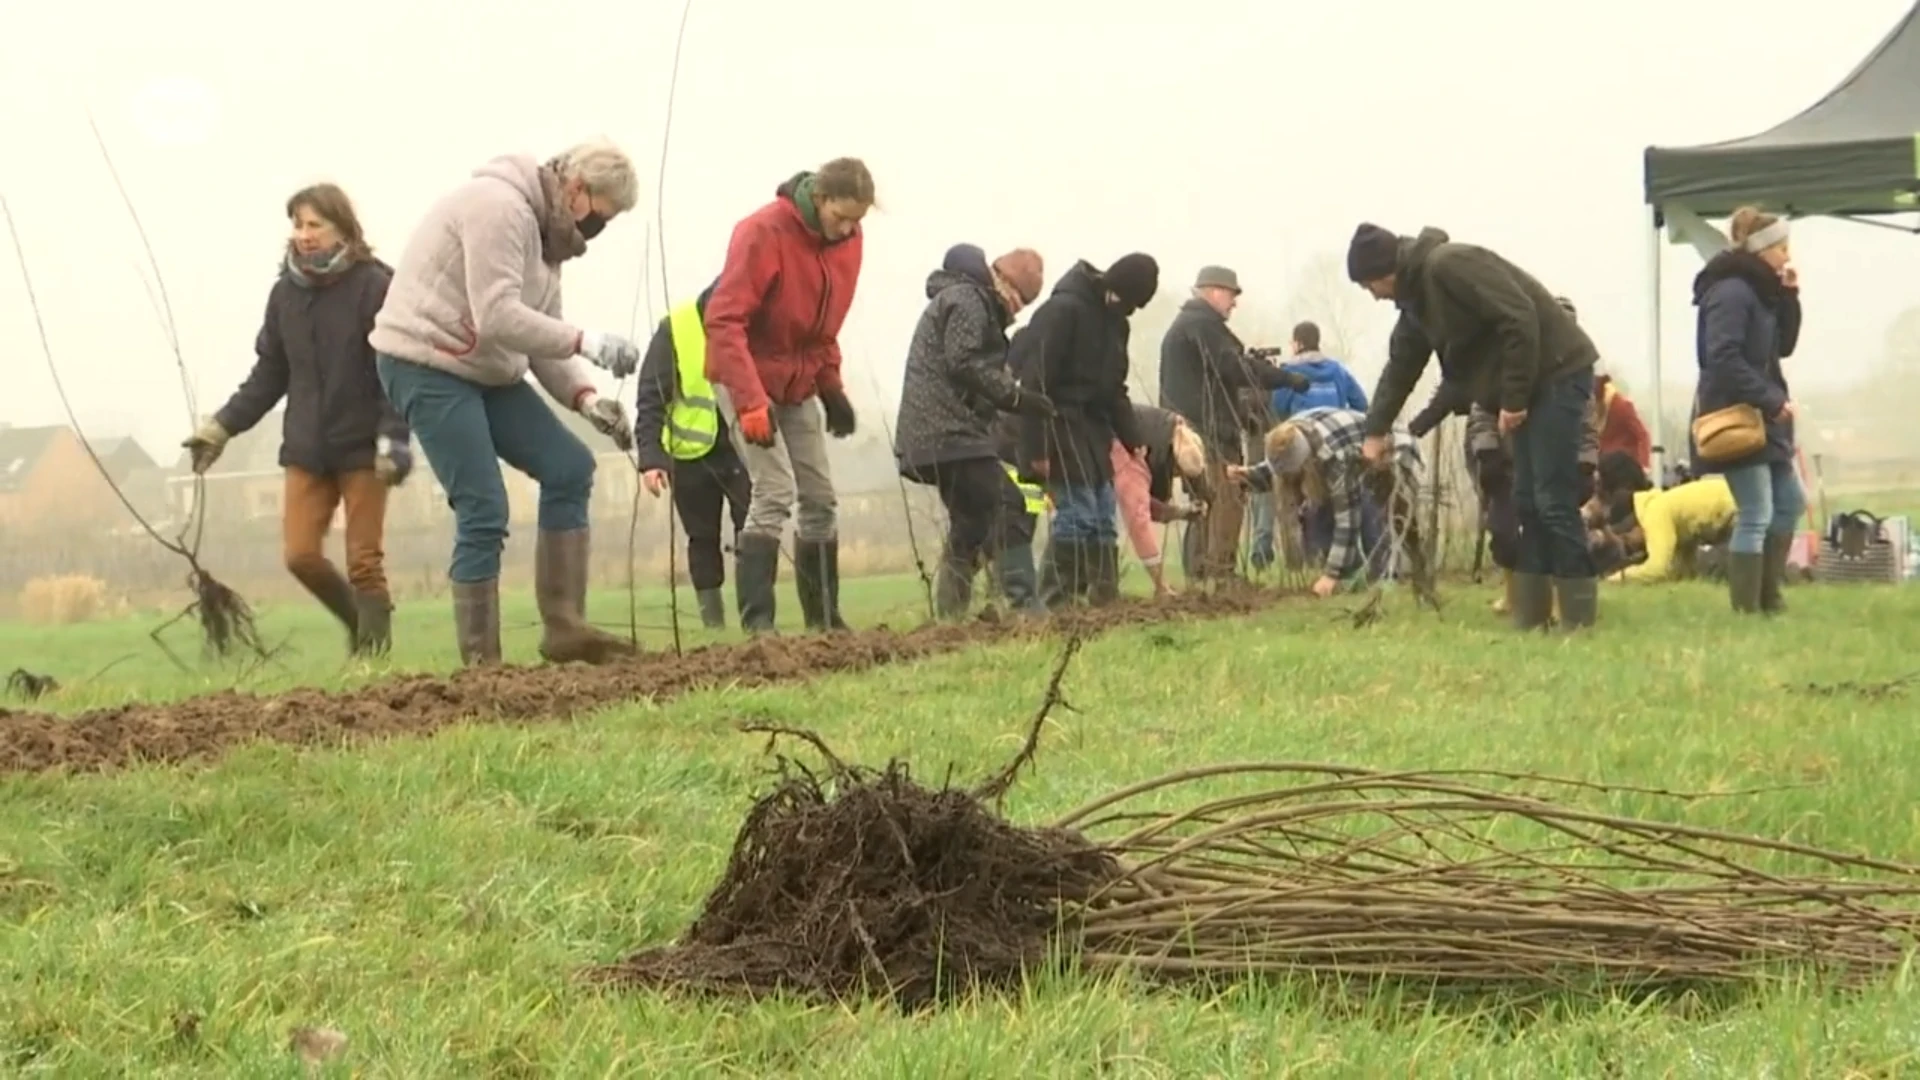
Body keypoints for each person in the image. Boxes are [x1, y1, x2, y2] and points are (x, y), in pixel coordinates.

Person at [369, 141, 643, 667]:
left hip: (484, 369)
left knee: (570, 467)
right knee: (484, 506)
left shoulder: (549, 240)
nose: (597, 230)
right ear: (577, 190)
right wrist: (588, 340)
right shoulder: (498, 208)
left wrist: (587, 400)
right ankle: (483, 666)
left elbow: (540, 339)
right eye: (601, 216)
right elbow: (496, 315)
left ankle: (564, 627)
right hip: (427, 361)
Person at [183, 183, 409, 656]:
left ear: (342, 229)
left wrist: (394, 438)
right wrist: (221, 428)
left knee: (364, 561)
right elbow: (269, 374)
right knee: (300, 555)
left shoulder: (376, 287)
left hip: (365, 447)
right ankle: (361, 628)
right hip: (307, 447)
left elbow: (396, 369)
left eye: (315, 225)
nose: (304, 235)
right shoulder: (285, 294)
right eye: (298, 224)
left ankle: (375, 658)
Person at [1346, 223, 1601, 631]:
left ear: (1384, 272)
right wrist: (1381, 434)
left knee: (1552, 498)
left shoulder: (1452, 266)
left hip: (1557, 372)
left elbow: (1519, 317)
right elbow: (1401, 369)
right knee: (1527, 501)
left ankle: (1579, 616)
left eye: (1368, 285)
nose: (1373, 296)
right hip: (1527, 385)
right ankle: (1532, 617)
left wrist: (1514, 398)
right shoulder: (1417, 305)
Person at [703, 157, 874, 634]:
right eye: (841, 218)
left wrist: (831, 386)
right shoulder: (761, 232)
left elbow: (823, 328)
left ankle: (824, 623)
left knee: (820, 497)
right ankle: (760, 627)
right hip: (744, 374)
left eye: (857, 221)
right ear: (819, 199)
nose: (848, 231)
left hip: (799, 381)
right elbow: (723, 322)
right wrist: (750, 402)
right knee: (775, 491)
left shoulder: (849, 244)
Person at [894, 243, 1053, 620]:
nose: (1015, 309)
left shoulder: (965, 301)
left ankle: (952, 617)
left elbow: (968, 375)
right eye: (1015, 298)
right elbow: (963, 362)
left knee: (972, 522)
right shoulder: (967, 299)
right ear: (998, 277)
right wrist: (1015, 398)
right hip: (946, 432)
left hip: (937, 432)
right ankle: (1022, 604)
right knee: (1009, 501)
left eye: (1022, 305)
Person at [1015, 253, 1161, 606]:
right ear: (1110, 286)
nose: (1126, 310)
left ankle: (1104, 599)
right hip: (1057, 428)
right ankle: (1056, 601)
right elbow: (1034, 384)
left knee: (1102, 516)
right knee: (1075, 515)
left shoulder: (1116, 324)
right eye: (1124, 300)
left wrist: (1133, 438)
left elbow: (1114, 389)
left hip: (1094, 434)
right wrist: (1036, 450)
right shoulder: (1062, 312)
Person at [1156, 266, 1305, 581]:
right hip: (1208, 433)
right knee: (1227, 497)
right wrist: (1285, 379)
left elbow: (1213, 378)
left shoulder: (1188, 325)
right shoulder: (1202, 324)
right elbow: (1234, 367)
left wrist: (1243, 415)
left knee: (1205, 503)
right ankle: (1220, 573)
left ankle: (1200, 574)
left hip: (1189, 431)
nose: (1234, 304)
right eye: (1231, 295)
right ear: (1213, 292)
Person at [1689, 205, 1803, 615]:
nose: (1787, 256)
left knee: (1790, 502)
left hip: (1764, 415)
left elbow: (1783, 346)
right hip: (1736, 415)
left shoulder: (1760, 291)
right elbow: (1722, 357)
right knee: (1756, 512)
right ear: (1762, 249)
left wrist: (1789, 296)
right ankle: (1748, 610)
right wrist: (1770, 399)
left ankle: (1768, 596)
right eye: (1782, 248)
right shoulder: (1731, 292)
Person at [631, 281, 755, 630]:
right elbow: (651, 397)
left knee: (754, 532)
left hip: (745, 450)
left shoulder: (752, 321)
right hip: (690, 456)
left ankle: (756, 620)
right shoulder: (676, 327)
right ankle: (713, 627)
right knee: (702, 541)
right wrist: (652, 459)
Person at [1227, 406, 1425, 599]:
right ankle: (1350, 575)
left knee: (1374, 513)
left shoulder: (1333, 458)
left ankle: (1386, 576)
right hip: (1358, 457)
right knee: (1318, 512)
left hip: (1391, 452)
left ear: (1304, 464)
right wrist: (1250, 475)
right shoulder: (1291, 436)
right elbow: (1280, 467)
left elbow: (1347, 520)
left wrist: (1331, 575)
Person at [1267, 320, 1380, 576]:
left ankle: (1319, 563)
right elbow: (1361, 403)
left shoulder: (1287, 373)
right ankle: (1364, 566)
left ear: (1296, 343)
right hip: (1341, 448)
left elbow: (1278, 409)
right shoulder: (1338, 371)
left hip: (1302, 453)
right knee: (1348, 505)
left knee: (1312, 505)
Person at [1108, 403, 1208, 602]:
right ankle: (1049, 596)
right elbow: (1139, 520)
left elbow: (1141, 500)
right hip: (1046, 467)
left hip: (1053, 457)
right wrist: (1160, 583)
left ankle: (1099, 594)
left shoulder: (1164, 431)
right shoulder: (1134, 452)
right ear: (1173, 464)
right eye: (1177, 475)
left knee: (1088, 520)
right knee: (1075, 520)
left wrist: (1179, 512)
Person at [1597, 452, 1735, 583]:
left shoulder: (1654, 513)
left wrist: (1615, 579)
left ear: (1635, 524)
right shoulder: (1663, 505)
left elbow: (1657, 569)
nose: (1633, 546)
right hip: (1732, 511)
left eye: (1627, 539)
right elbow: (1679, 568)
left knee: (1713, 568)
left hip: (1734, 517)